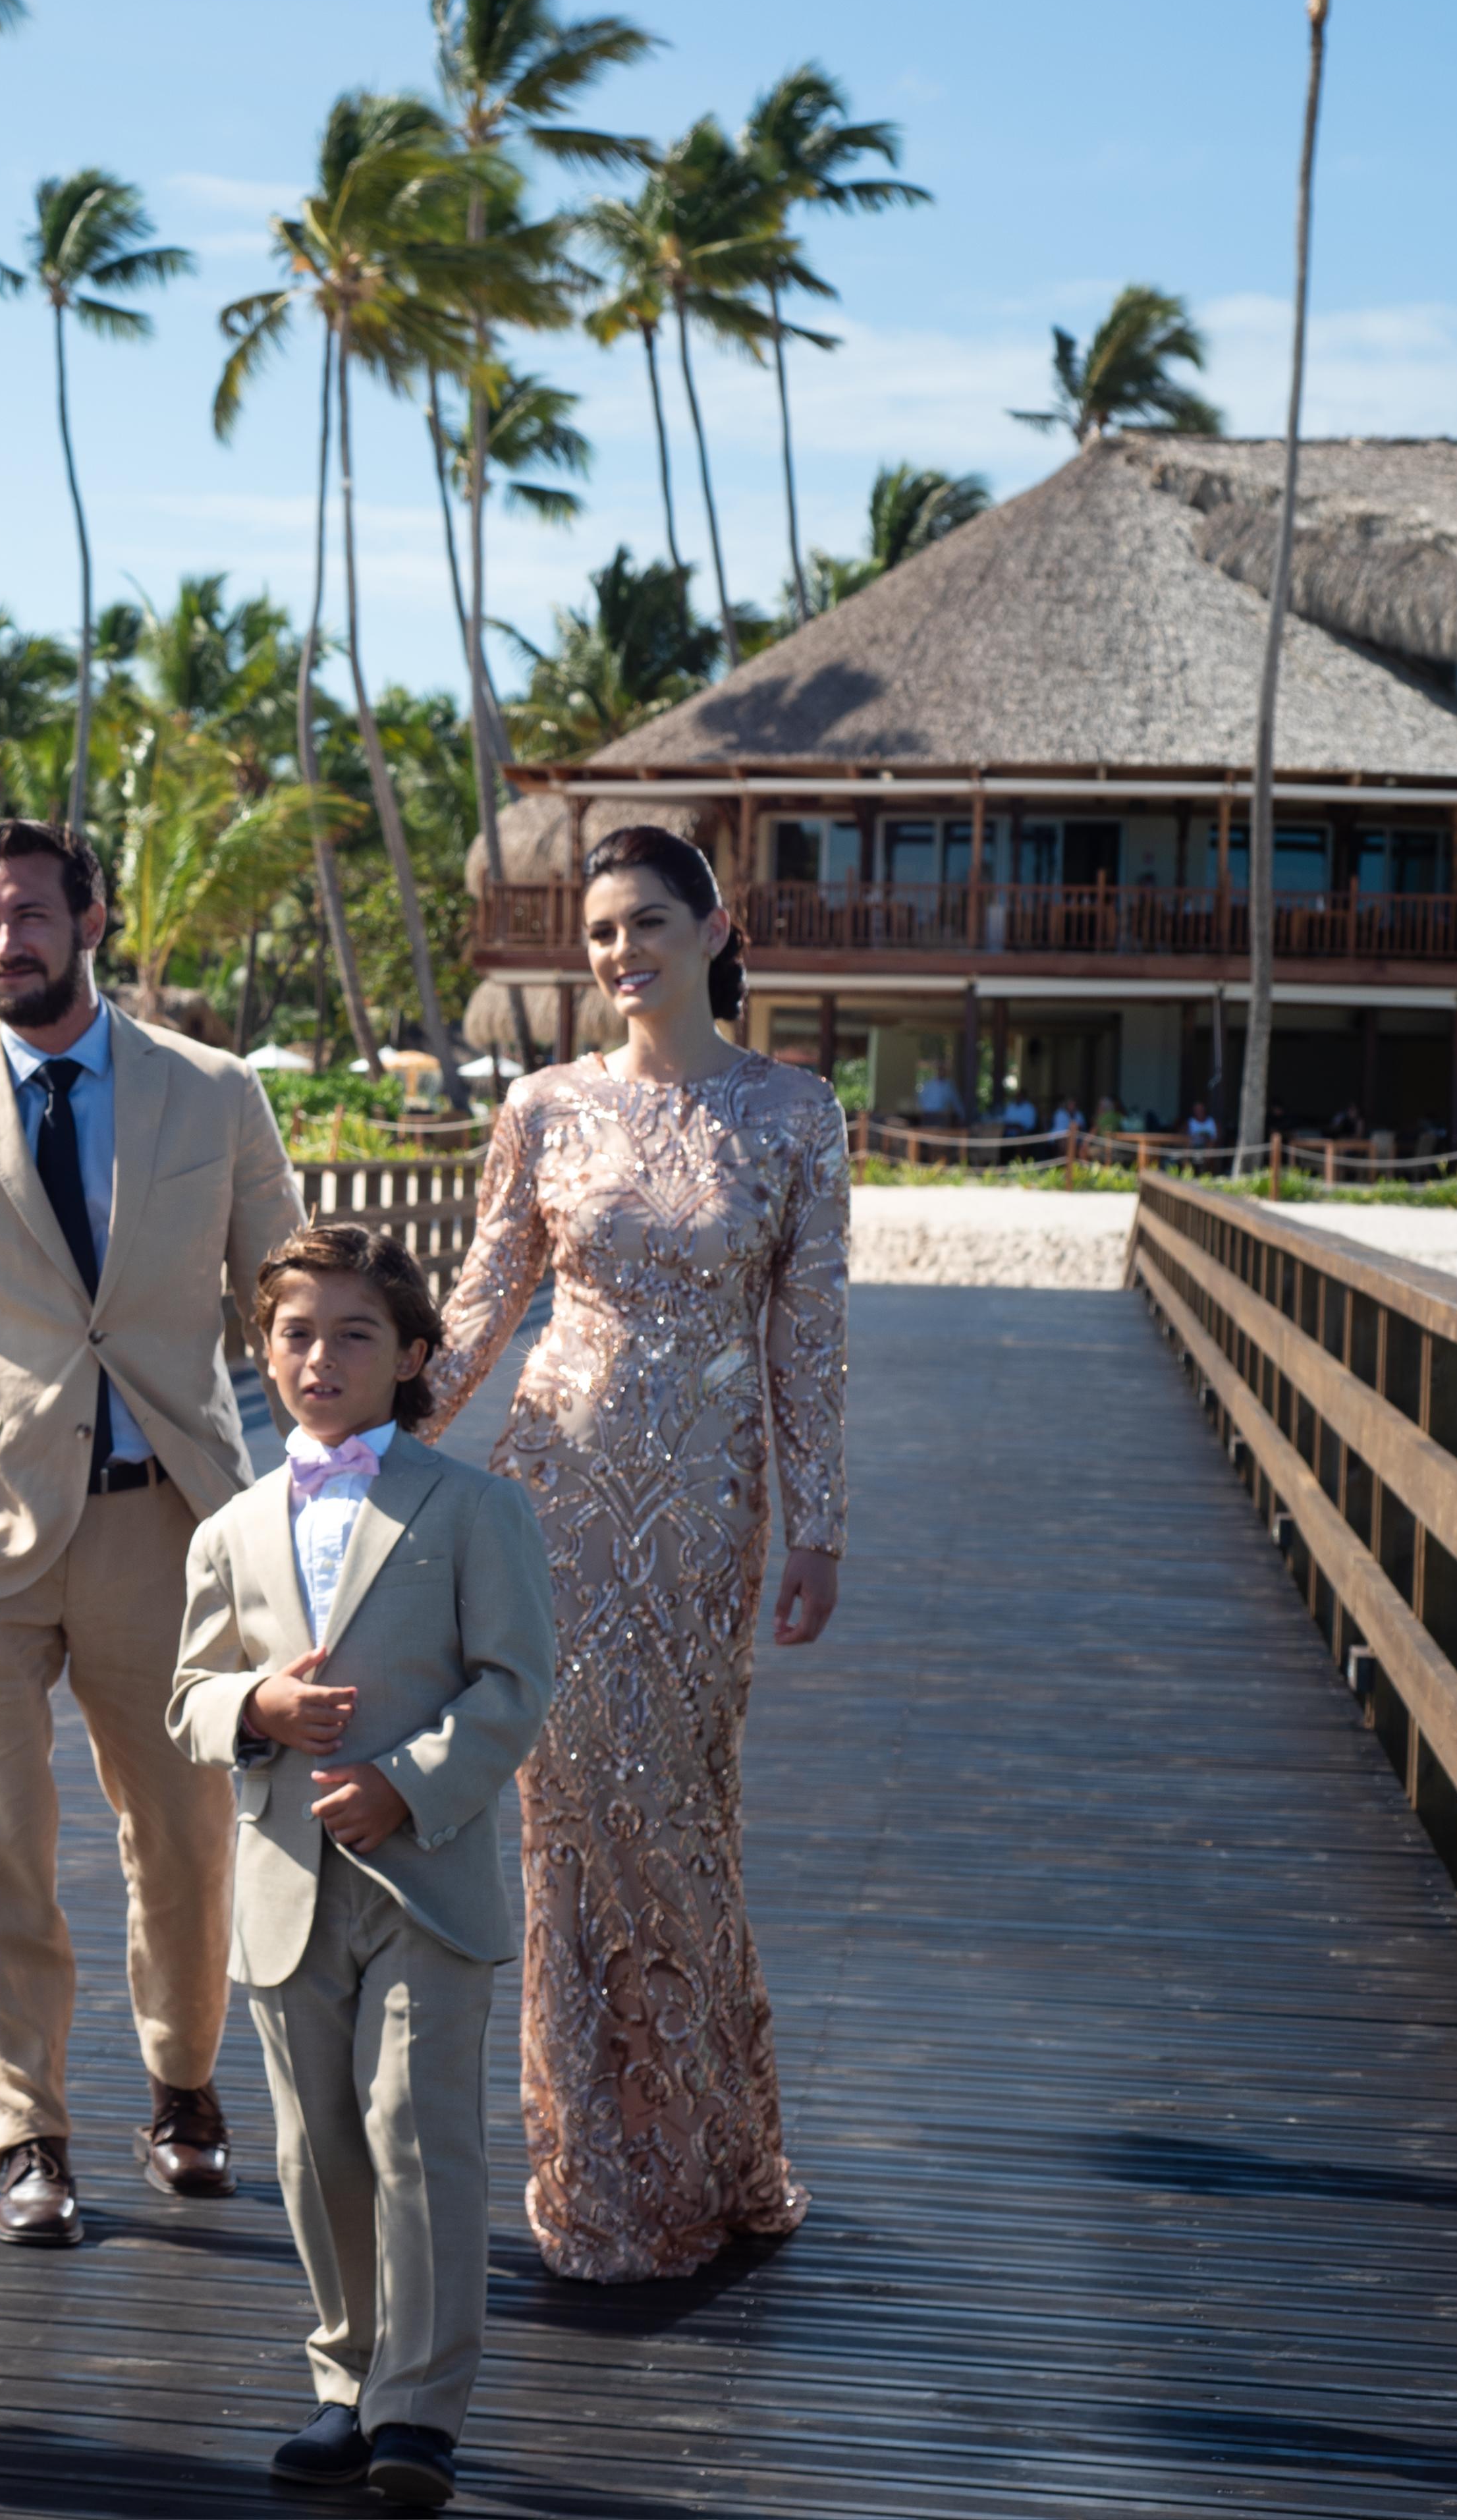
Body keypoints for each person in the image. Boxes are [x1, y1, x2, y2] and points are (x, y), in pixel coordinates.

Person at [0, 818, 302, 2250]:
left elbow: (278, 1294)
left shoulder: (212, 1097)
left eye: (27, 914)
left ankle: (181, 2088)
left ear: (91, 917)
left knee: (181, 1827)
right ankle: (24, 2129)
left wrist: (313, 1487)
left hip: (168, 1522)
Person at [426, 824, 846, 2284]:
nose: (618, 953)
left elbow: (807, 1337)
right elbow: (485, 1292)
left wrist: (819, 1524)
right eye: (598, 931)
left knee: (678, 1815)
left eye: (646, 922)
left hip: (703, 1518)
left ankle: (716, 2150)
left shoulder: (794, 1116)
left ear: (713, 926)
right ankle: (597, 2174)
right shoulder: (542, 1109)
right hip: (552, 1495)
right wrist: (371, 1424)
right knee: (567, 1826)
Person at [168, 1224, 555, 2511]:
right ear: (260, 1353)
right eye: (293, 1333)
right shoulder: (226, 1529)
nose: (319, 1356)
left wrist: (411, 1780)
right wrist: (254, 1707)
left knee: (414, 2130)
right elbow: (185, 1697)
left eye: (352, 1334)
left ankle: (417, 2407)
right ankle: (342, 2377)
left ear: (410, 1359)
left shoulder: (476, 1509)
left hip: (425, 1872)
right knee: (315, 2139)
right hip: (283, 1876)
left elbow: (514, 1684)